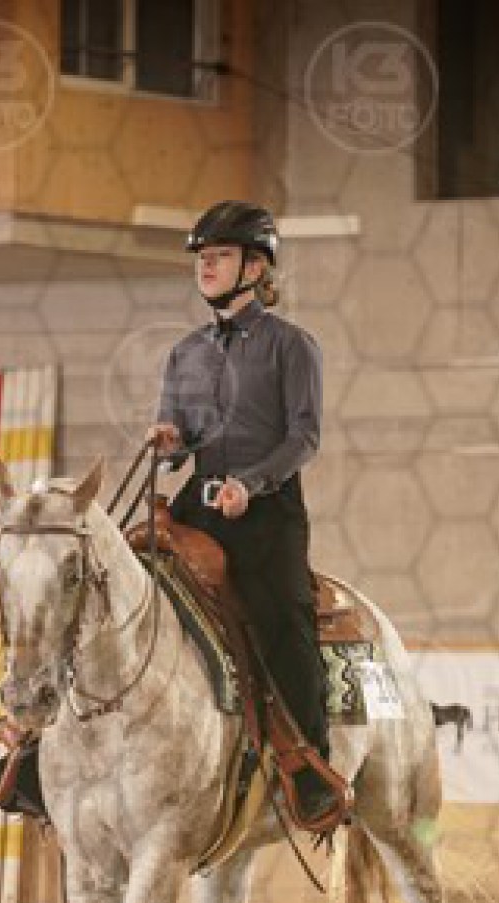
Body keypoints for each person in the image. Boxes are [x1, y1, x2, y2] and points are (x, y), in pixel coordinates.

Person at [149, 200, 345, 829]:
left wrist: (250, 484)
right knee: (118, 584)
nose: (205, 266)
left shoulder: (293, 346)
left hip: (266, 513)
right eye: (201, 258)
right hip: (197, 505)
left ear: (256, 268)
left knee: (285, 616)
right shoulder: (183, 353)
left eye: (220, 256)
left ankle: (311, 765)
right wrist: (168, 442)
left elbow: (304, 437)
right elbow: (178, 439)